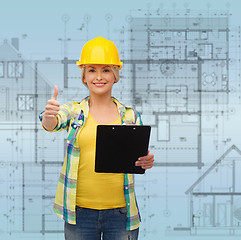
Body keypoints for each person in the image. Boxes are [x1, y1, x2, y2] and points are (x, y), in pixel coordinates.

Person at [39, 37, 154, 240]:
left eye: (106, 70)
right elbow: (52, 124)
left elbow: (139, 160)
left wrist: (146, 161)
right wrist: (49, 116)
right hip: (80, 213)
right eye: (92, 70)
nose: (99, 77)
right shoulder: (73, 111)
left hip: (121, 213)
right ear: (84, 76)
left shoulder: (130, 116)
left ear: (115, 74)